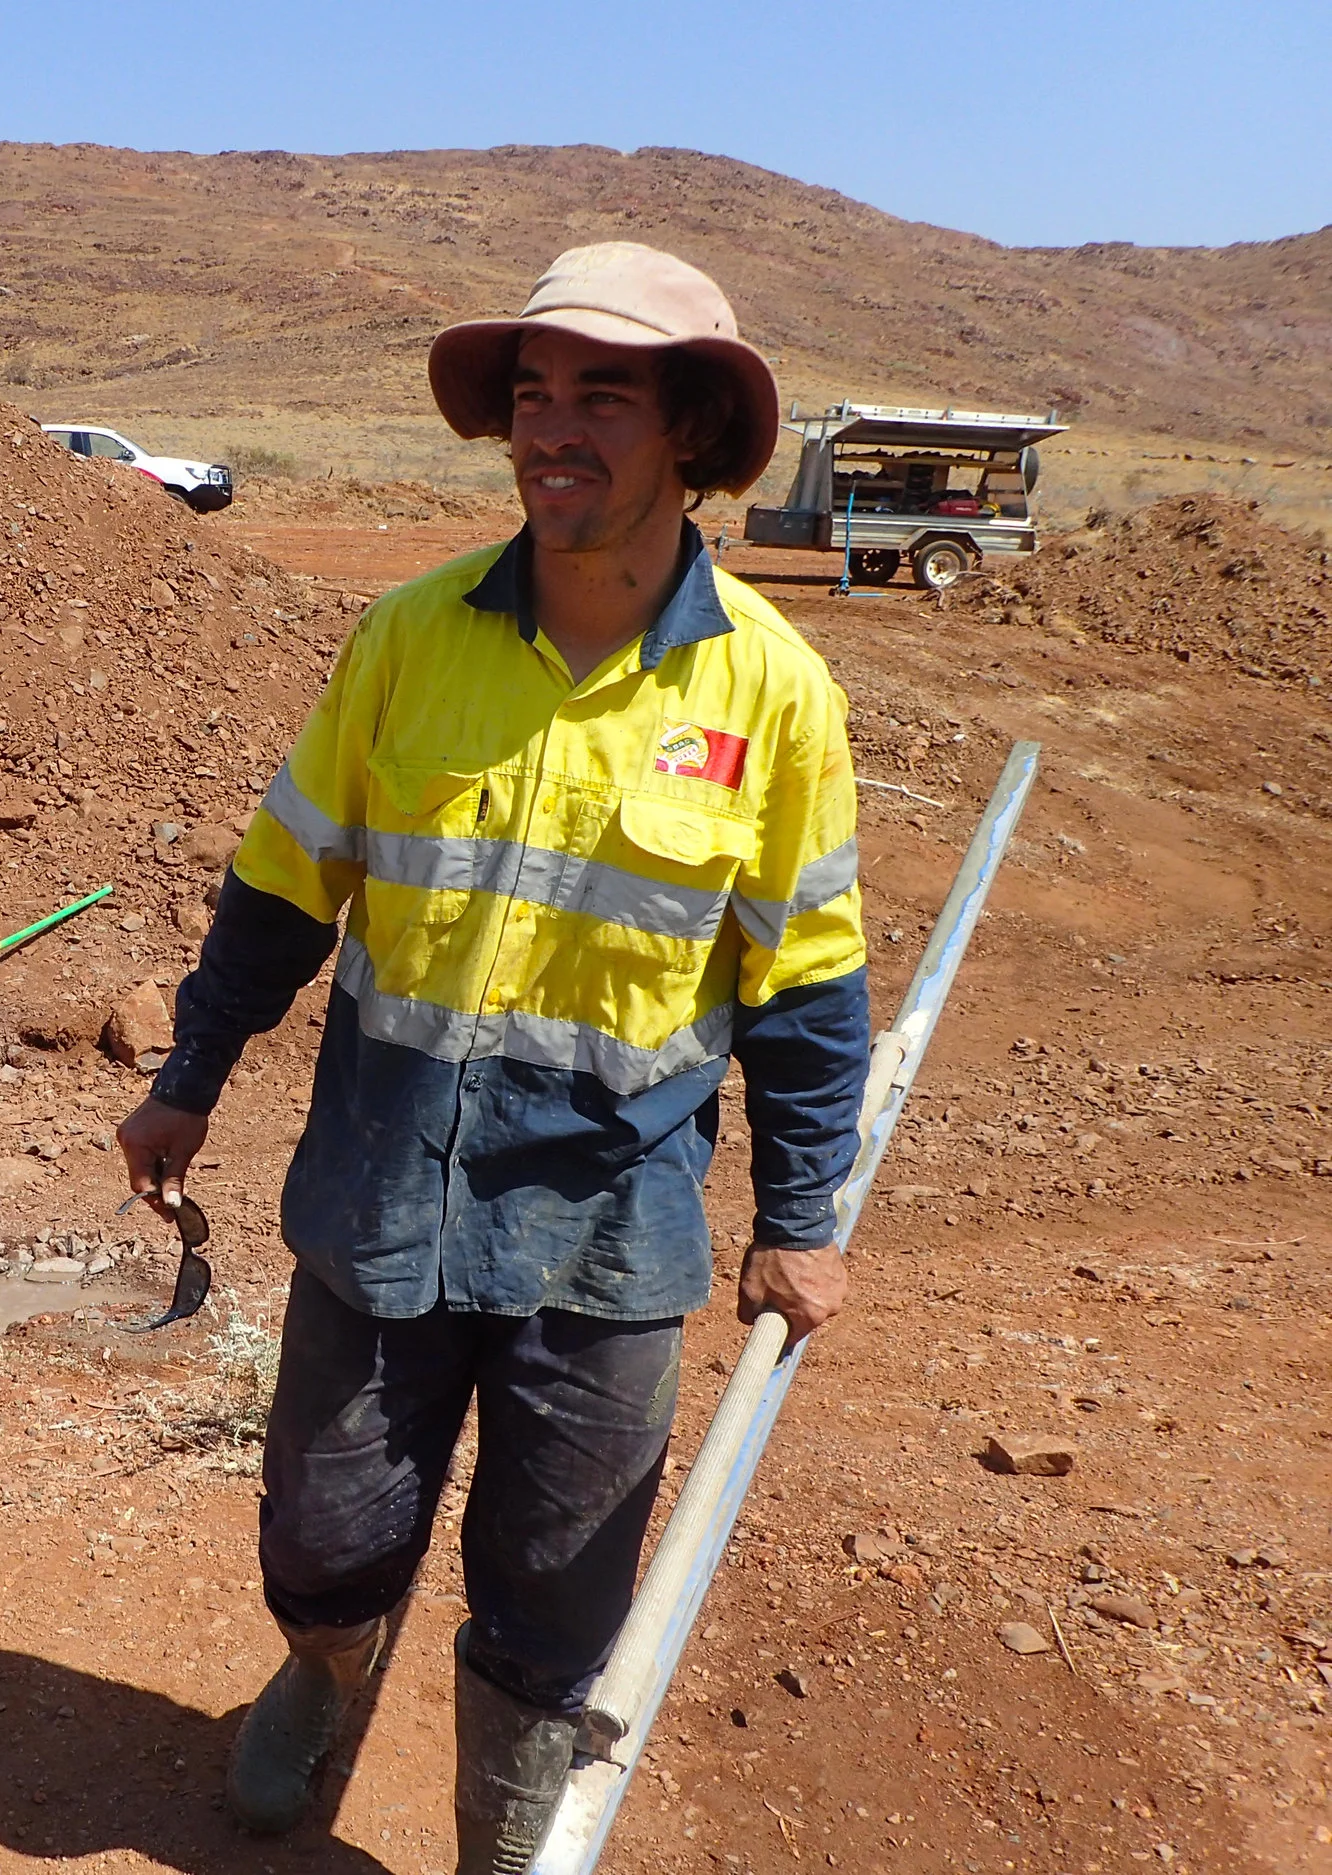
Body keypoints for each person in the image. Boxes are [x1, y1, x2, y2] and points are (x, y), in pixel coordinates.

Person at [116, 243, 868, 1874]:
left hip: (609, 1220)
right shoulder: (406, 640)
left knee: (557, 1577)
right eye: (533, 394)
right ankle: (324, 1668)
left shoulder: (775, 695)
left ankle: (504, 1820)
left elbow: (810, 987)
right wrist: (192, 1071)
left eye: (603, 394)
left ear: (688, 432)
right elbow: (280, 882)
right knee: (325, 1532)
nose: (554, 429)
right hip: (384, 1180)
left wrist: (801, 1213)